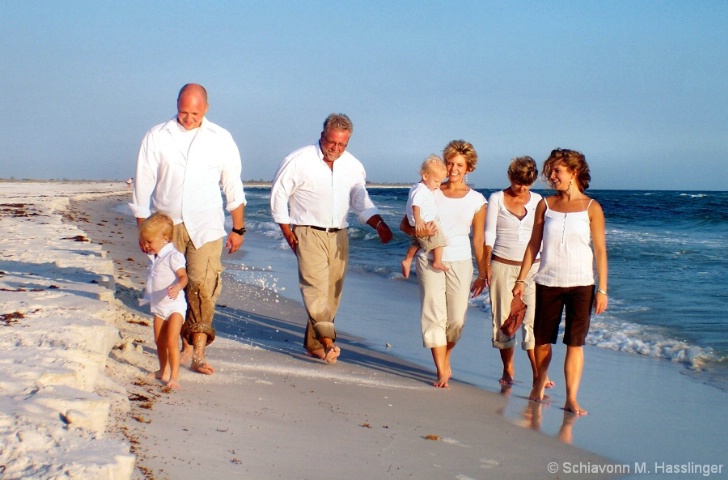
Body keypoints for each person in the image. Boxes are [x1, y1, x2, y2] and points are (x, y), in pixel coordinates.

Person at [130, 83, 247, 376]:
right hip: (166, 225)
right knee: (171, 289)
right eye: (183, 111)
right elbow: (142, 182)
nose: (188, 118)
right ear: (177, 105)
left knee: (203, 286)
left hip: (206, 224)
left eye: (194, 112)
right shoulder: (158, 136)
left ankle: (198, 353)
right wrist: (143, 231)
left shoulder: (221, 138)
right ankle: (177, 341)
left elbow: (232, 183)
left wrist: (238, 228)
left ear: (206, 108)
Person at [270, 113, 393, 364]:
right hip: (307, 231)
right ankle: (328, 342)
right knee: (314, 288)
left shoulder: (353, 165)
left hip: (339, 234)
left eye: (342, 145)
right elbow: (278, 195)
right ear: (322, 135)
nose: (335, 149)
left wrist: (378, 222)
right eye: (331, 142)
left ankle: (314, 344)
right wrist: (287, 232)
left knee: (331, 293)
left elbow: (359, 199)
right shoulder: (298, 160)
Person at [512, 148, 608, 416]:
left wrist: (602, 289)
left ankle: (571, 398)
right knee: (542, 340)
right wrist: (521, 279)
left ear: (573, 173)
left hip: (582, 284)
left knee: (575, 343)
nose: (551, 176)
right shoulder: (545, 205)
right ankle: (539, 382)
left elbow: (600, 250)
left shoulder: (592, 207)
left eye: (557, 171)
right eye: (550, 171)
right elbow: (533, 244)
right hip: (548, 281)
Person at [400, 140, 488, 388]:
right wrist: (421, 230)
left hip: (460, 260)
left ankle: (445, 356)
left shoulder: (477, 200)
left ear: (468, 168)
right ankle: (441, 370)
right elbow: (405, 225)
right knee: (433, 316)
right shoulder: (430, 191)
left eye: (459, 164)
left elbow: (479, 239)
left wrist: (484, 271)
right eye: (450, 162)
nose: (453, 168)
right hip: (428, 260)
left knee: (456, 320)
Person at [484, 156, 552, 390]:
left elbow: (544, 236)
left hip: (534, 267)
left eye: (527, 183)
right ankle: (508, 368)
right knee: (505, 320)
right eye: (517, 182)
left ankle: (538, 373)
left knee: (533, 322)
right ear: (510, 177)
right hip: (502, 264)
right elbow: (489, 234)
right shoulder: (496, 199)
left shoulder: (539, 201)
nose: (522, 188)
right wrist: (485, 265)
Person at [138, 212, 188, 389]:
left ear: (165, 238)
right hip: (159, 306)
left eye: (150, 242)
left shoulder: (173, 256)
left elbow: (183, 277)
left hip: (175, 305)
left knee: (171, 341)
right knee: (159, 341)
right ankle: (162, 370)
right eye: (145, 241)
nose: (147, 245)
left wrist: (178, 287)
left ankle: (174, 376)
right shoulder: (156, 256)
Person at [401, 155, 449, 278]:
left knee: (416, 243)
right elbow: (415, 205)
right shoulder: (421, 190)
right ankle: (437, 261)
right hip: (424, 222)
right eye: (436, 181)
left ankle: (407, 260)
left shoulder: (418, 188)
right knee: (439, 240)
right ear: (425, 176)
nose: (438, 185)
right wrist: (418, 220)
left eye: (440, 182)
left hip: (418, 222)